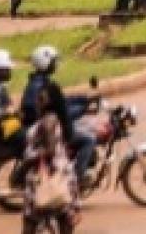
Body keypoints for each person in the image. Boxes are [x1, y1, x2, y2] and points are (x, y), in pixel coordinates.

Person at [20, 45, 96, 187]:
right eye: (53, 62)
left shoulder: (41, 82)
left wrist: (84, 99)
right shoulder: (41, 86)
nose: (56, 65)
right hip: (46, 131)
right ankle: (79, 178)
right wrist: (82, 109)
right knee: (89, 139)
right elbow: (60, 112)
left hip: (46, 127)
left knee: (83, 127)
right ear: (45, 63)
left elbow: (62, 102)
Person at [22, 86, 80, 234]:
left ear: (49, 102)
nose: (37, 102)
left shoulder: (47, 122)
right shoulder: (57, 120)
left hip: (44, 176)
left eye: (41, 99)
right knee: (65, 222)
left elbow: (50, 150)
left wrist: (28, 160)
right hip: (63, 175)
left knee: (30, 223)